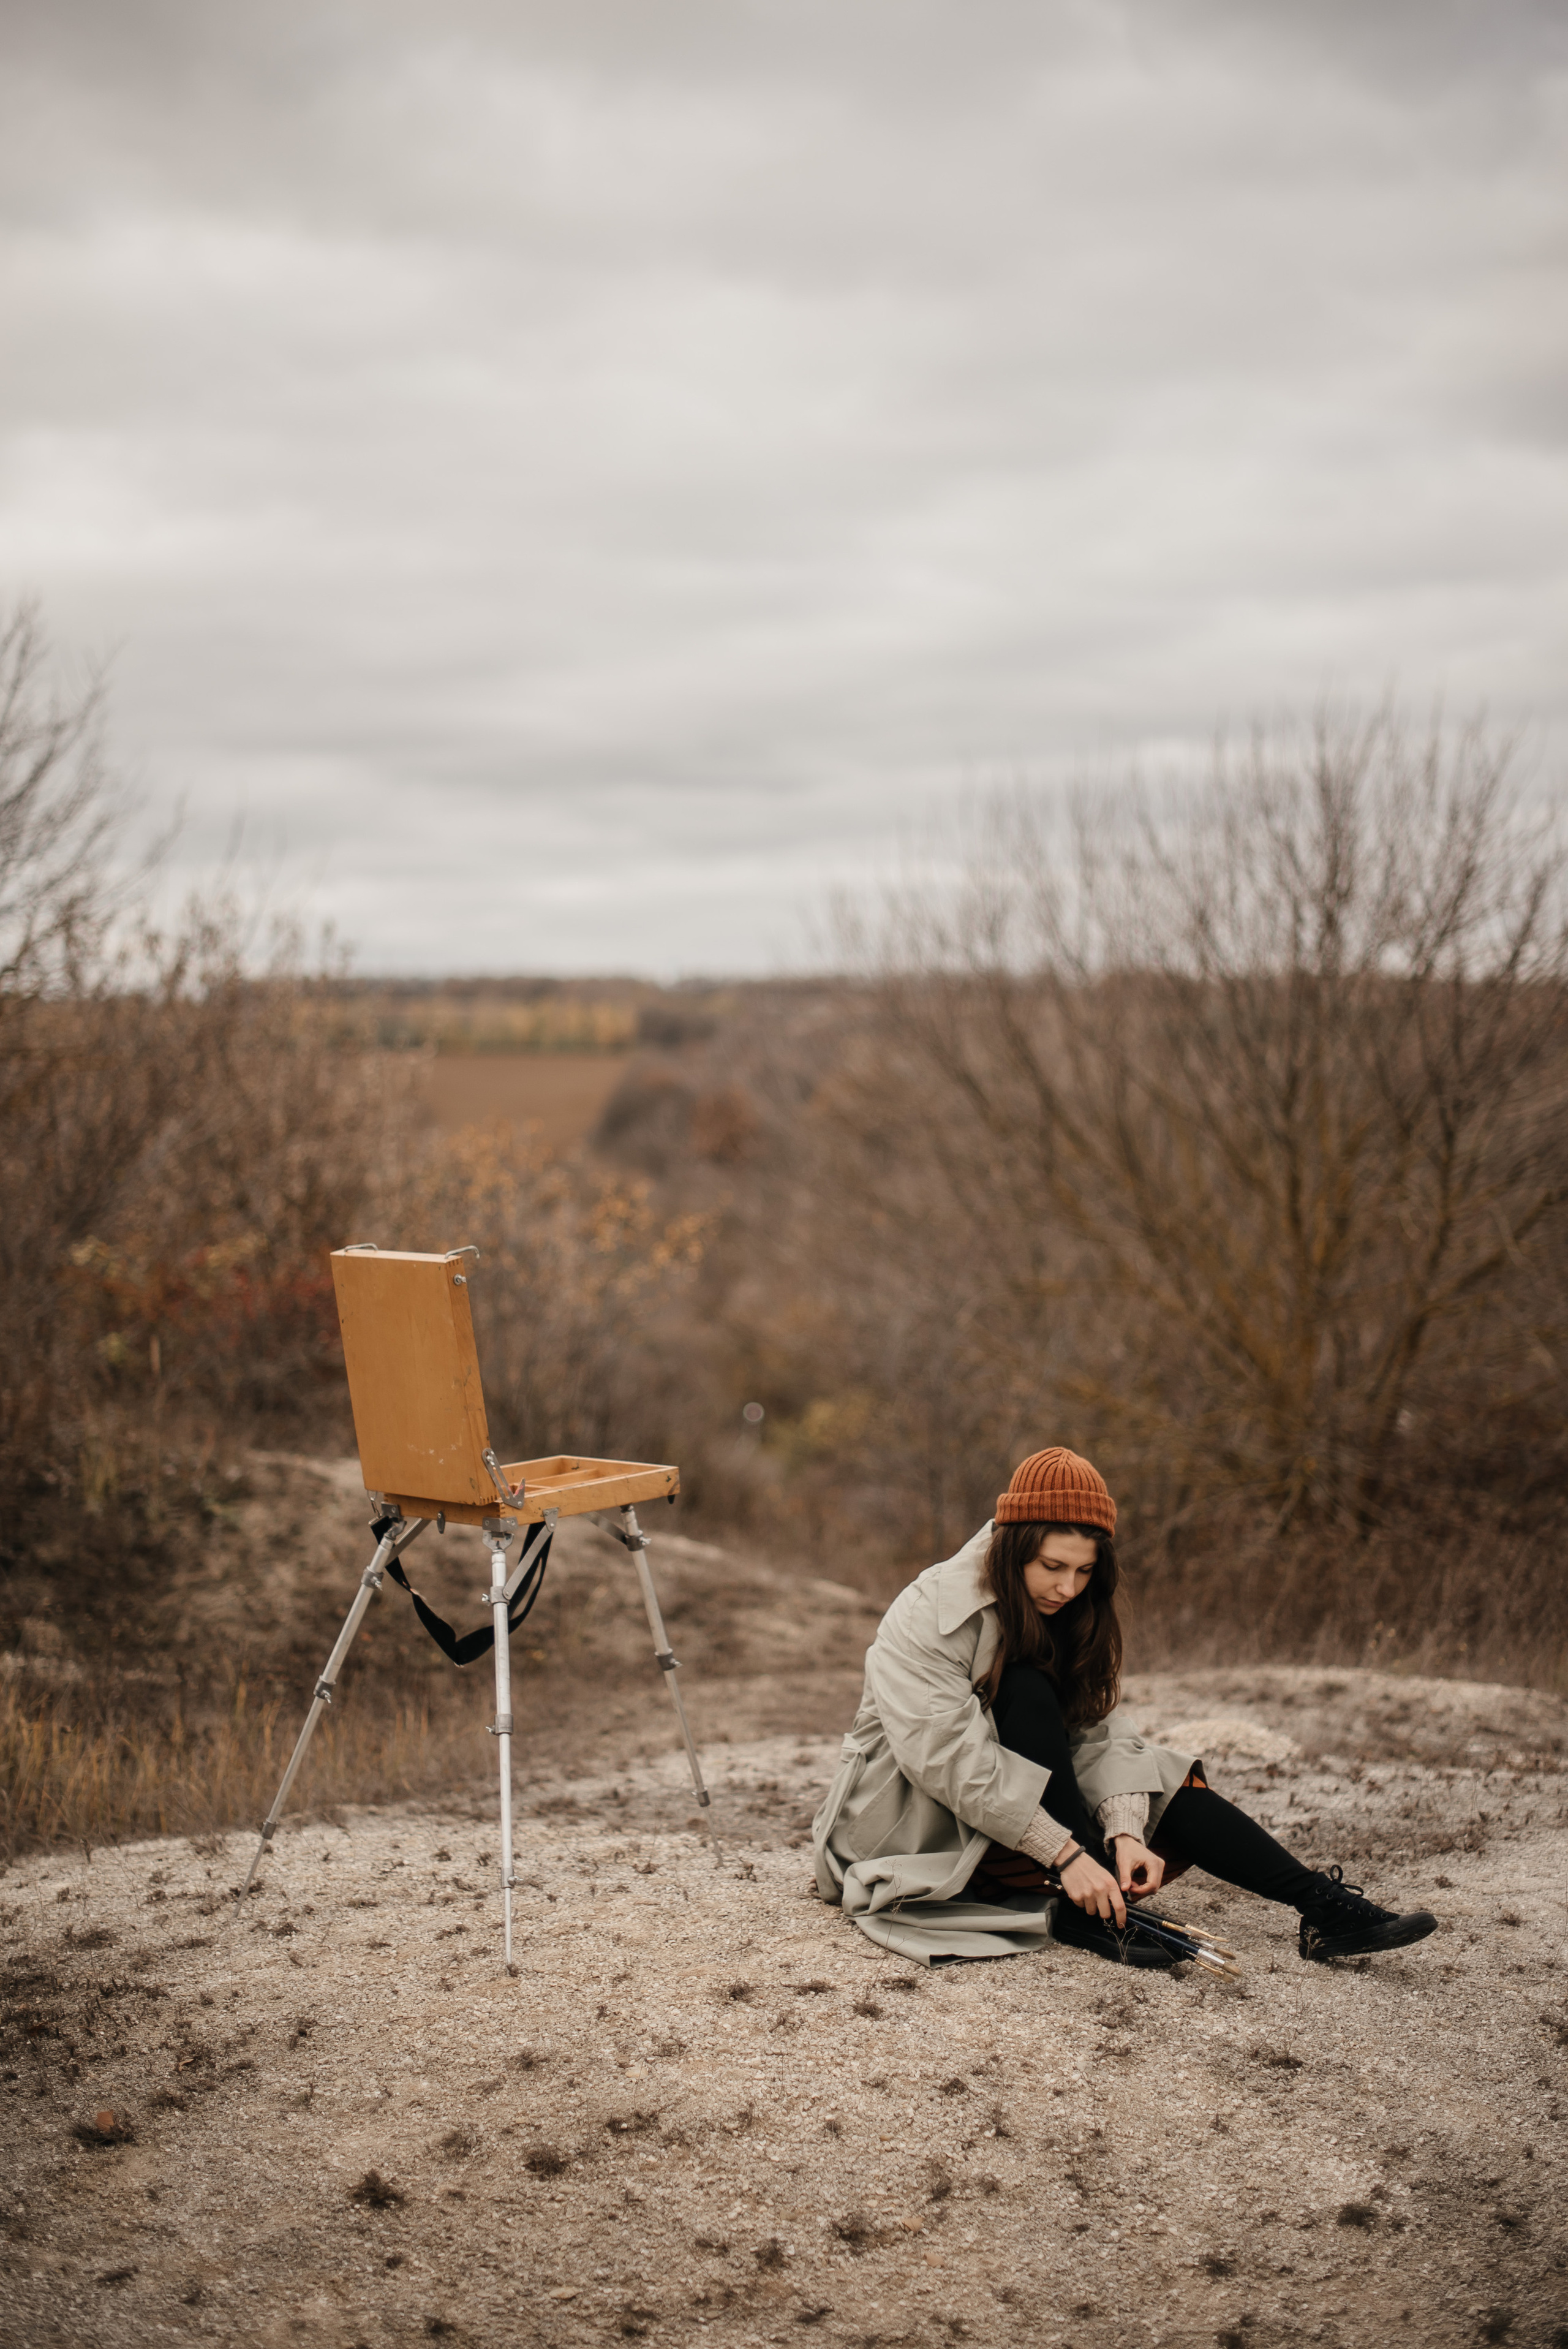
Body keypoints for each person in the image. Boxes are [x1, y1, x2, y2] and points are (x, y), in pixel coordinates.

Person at [812, 1445, 1438, 1970]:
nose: (1067, 1587)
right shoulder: (926, 1616)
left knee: (1159, 1776)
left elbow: (1101, 1734)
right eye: (1052, 1567)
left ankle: (1321, 1906)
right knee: (1026, 1690)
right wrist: (1070, 1855)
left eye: (1084, 1572)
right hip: (915, 1816)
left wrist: (1124, 1832)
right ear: (1010, 1547)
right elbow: (947, 1760)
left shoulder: (1067, 1609)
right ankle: (1083, 1903)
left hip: (1019, 1802)